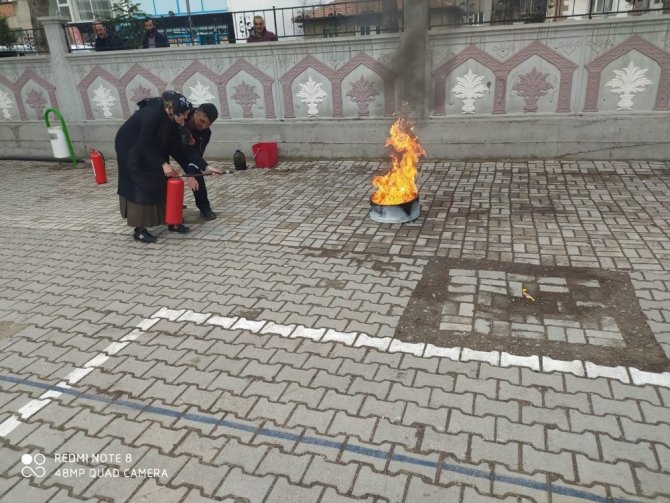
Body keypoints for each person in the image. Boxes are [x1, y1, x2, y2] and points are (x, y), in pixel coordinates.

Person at [116, 91, 192, 243]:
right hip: (130, 149)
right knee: (141, 184)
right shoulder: (153, 114)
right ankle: (139, 230)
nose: (185, 118)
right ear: (172, 110)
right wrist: (163, 164)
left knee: (163, 179)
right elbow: (142, 144)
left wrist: (203, 166)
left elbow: (176, 148)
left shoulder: (169, 118)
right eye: (183, 115)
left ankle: (172, 221)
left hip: (150, 147)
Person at [173, 103, 223, 220]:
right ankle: (165, 208)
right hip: (168, 145)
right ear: (195, 113)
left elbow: (196, 155)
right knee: (163, 173)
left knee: (197, 174)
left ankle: (204, 207)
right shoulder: (182, 115)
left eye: (208, 124)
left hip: (188, 151)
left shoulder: (206, 133)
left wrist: (192, 174)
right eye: (202, 121)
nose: (204, 126)